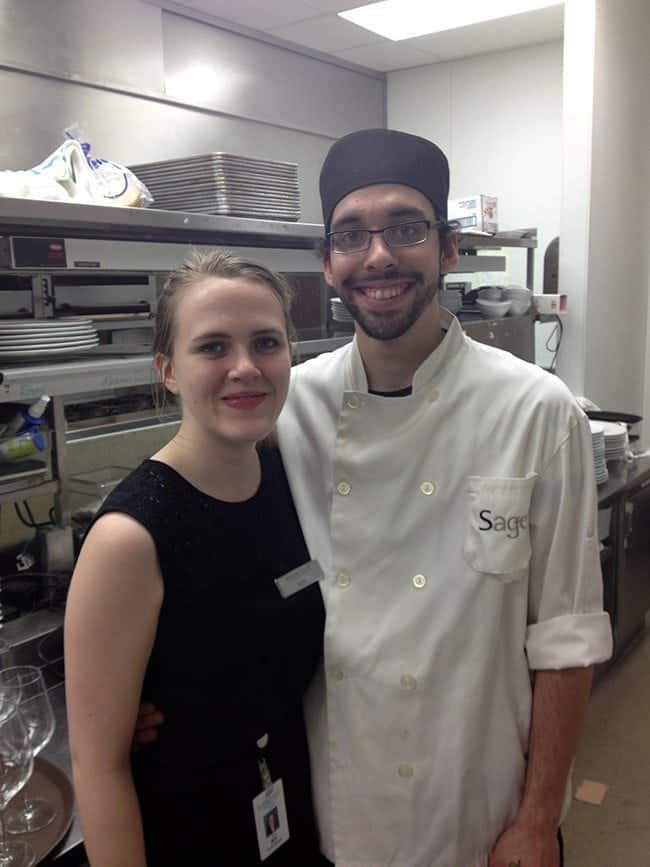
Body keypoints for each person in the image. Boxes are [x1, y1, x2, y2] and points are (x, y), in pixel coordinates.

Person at [137, 129, 613, 867]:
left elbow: (566, 637)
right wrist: (157, 680)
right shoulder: (289, 406)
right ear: (328, 263)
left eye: (405, 227)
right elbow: (210, 541)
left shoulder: (537, 410)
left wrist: (538, 816)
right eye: (351, 235)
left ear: (448, 248)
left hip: (480, 811)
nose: (379, 255)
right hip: (333, 813)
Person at [64, 250, 327, 867]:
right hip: (187, 836)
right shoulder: (131, 536)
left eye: (266, 342)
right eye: (212, 347)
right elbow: (96, 769)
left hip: (295, 814)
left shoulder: (291, 481)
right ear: (169, 370)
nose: (245, 368)